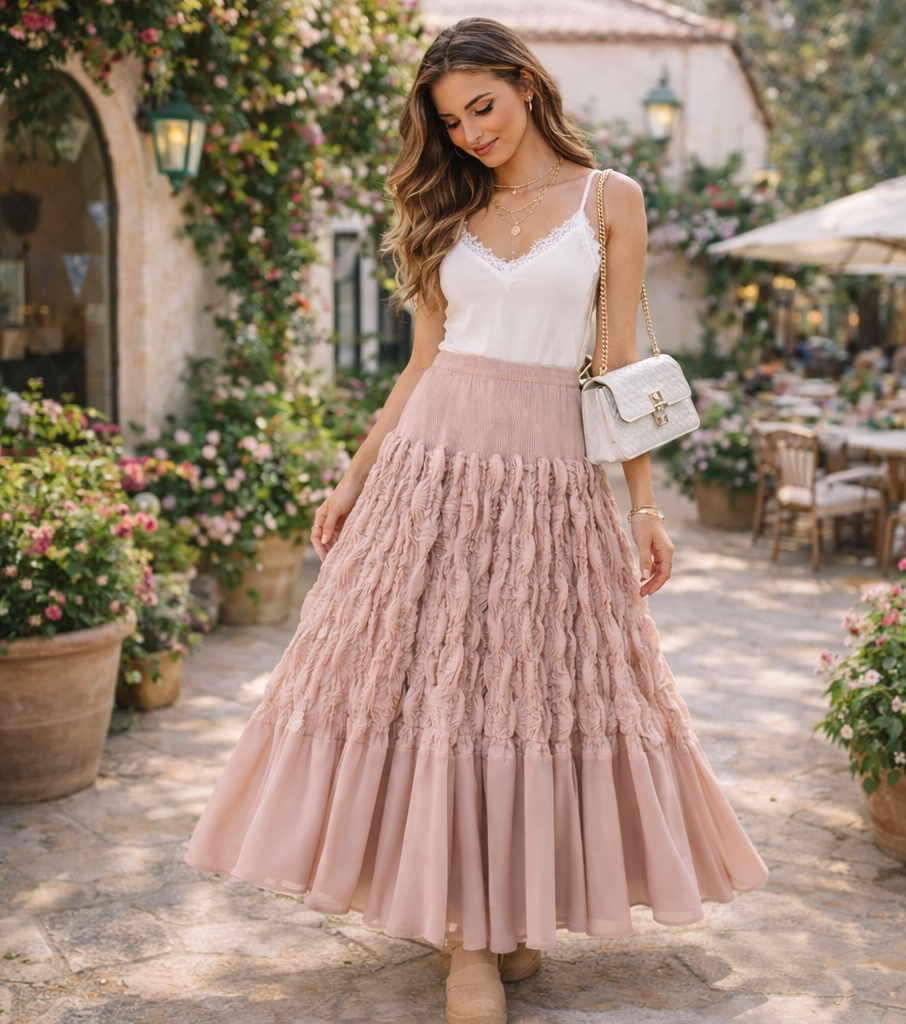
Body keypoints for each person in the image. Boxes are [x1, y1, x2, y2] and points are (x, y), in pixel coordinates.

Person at [185, 18, 768, 1024]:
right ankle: (467, 942)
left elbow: (618, 362)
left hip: (548, 479)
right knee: (442, 689)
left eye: (482, 108)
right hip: (430, 471)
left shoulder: (608, 199)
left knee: (535, 687)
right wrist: (353, 475)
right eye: (451, 122)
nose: (470, 134)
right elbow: (419, 366)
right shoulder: (444, 215)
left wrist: (642, 500)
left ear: (525, 83)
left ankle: (513, 912)